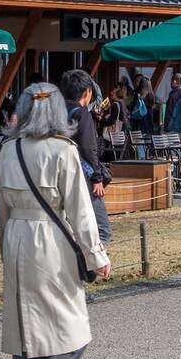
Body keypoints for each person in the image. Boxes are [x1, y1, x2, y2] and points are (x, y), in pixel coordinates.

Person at [0, 83, 112, 359]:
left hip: (16, 234)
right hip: (49, 238)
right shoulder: (63, 151)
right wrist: (96, 255)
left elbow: (1, 205)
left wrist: (5, 245)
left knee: (22, 326)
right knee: (72, 323)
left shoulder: (8, 149)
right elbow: (80, 209)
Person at [60, 69, 111, 242]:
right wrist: (97, 177)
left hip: (59, 174)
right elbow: (89, 148)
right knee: (102, 229)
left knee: (69, 225)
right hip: (84, 174)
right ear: (87, 91)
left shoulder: (55, 113)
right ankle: (92, 266)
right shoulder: (83, 114)